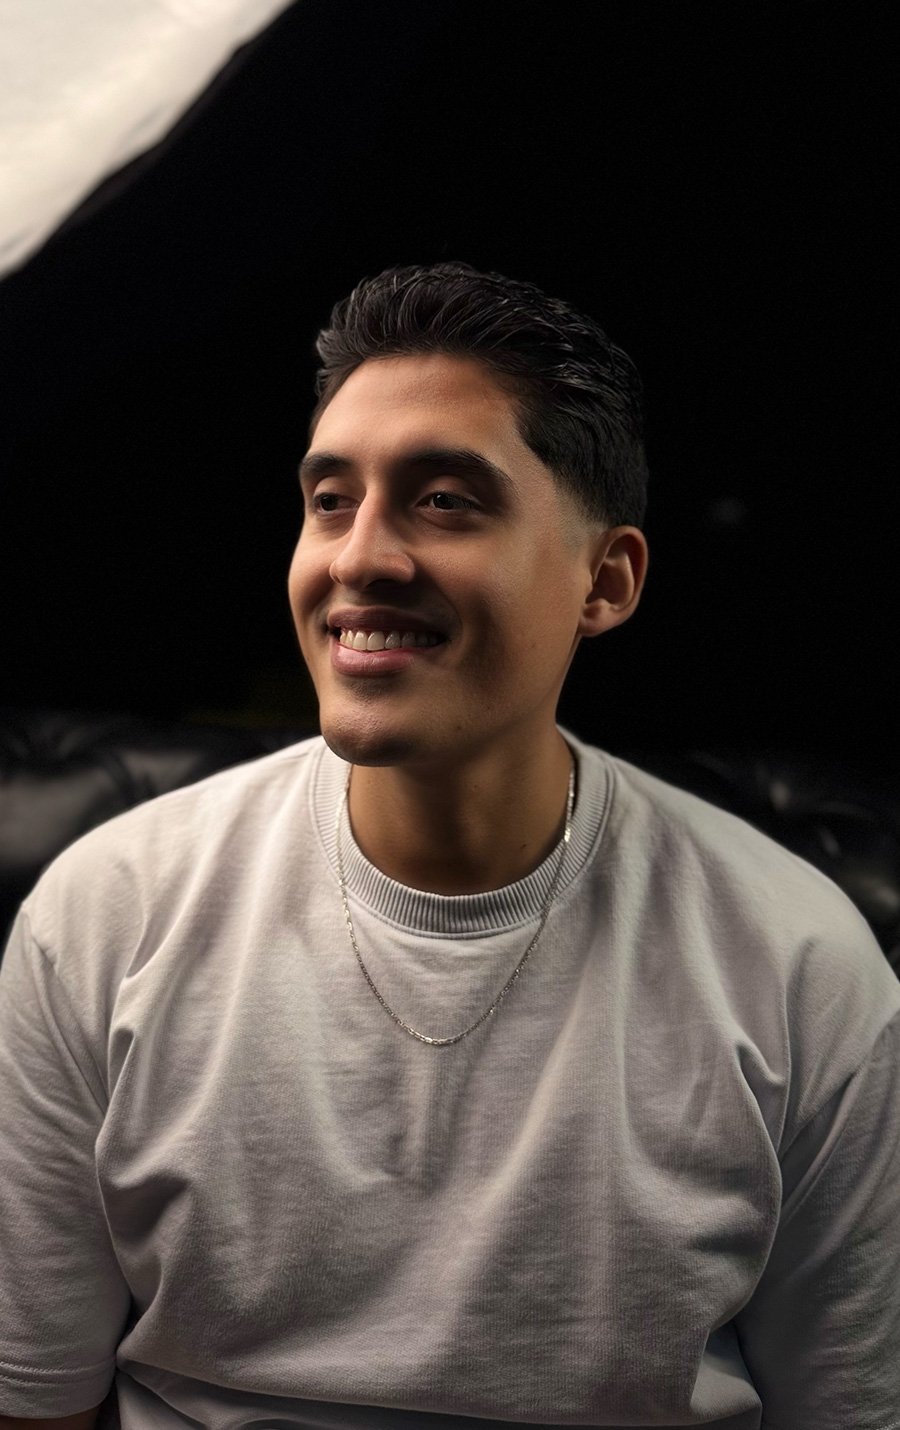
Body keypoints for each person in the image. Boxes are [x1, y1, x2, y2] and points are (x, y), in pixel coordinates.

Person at [1, 262, 898, 1430]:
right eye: (332, 499)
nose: (358, 558)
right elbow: (37, 1402)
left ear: (605, 580)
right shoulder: (104, 914)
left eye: (444, 500)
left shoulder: (800, 965)